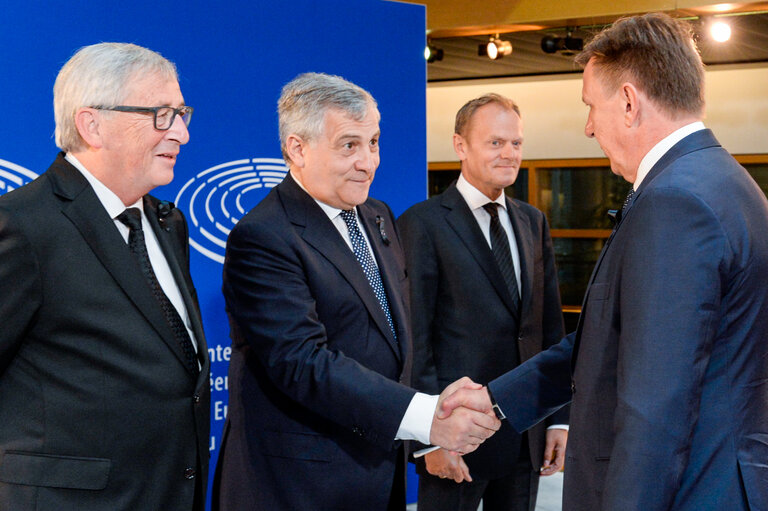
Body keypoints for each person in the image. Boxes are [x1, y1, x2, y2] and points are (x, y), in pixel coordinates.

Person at [441, 12, 768, 511]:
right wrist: (498, 399)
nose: (589, 127)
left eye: (591, 106)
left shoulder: (676, 202)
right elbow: (614, 340)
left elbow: (655, 407)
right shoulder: (725, 182)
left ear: (630, 102)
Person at [213, 72, 499, 511]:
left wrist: (423, 435)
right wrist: (426, 418)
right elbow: (303, 362)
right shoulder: (263, 235)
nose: (369, 162)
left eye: (374, 142)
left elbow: (396, 341)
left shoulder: (378, 216)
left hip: (377, 473)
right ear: (297, 148)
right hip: (297, 486)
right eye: (349, 145)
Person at [0, 43, 209, 510]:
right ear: (91, 124)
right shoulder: (23, 225)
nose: (181, 133)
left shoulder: (168, 222)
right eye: (161, 114)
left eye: (181, 114)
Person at [398, 93, 567, 511]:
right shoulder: (422, 224)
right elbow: (415, 341)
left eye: (516, 143)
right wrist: (427, 440)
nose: (509, 154)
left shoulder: (532, 221)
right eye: (495, 143)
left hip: (526, 433)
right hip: (455, 438)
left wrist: (558, 418)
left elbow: (547, 326)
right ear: (460, 146)